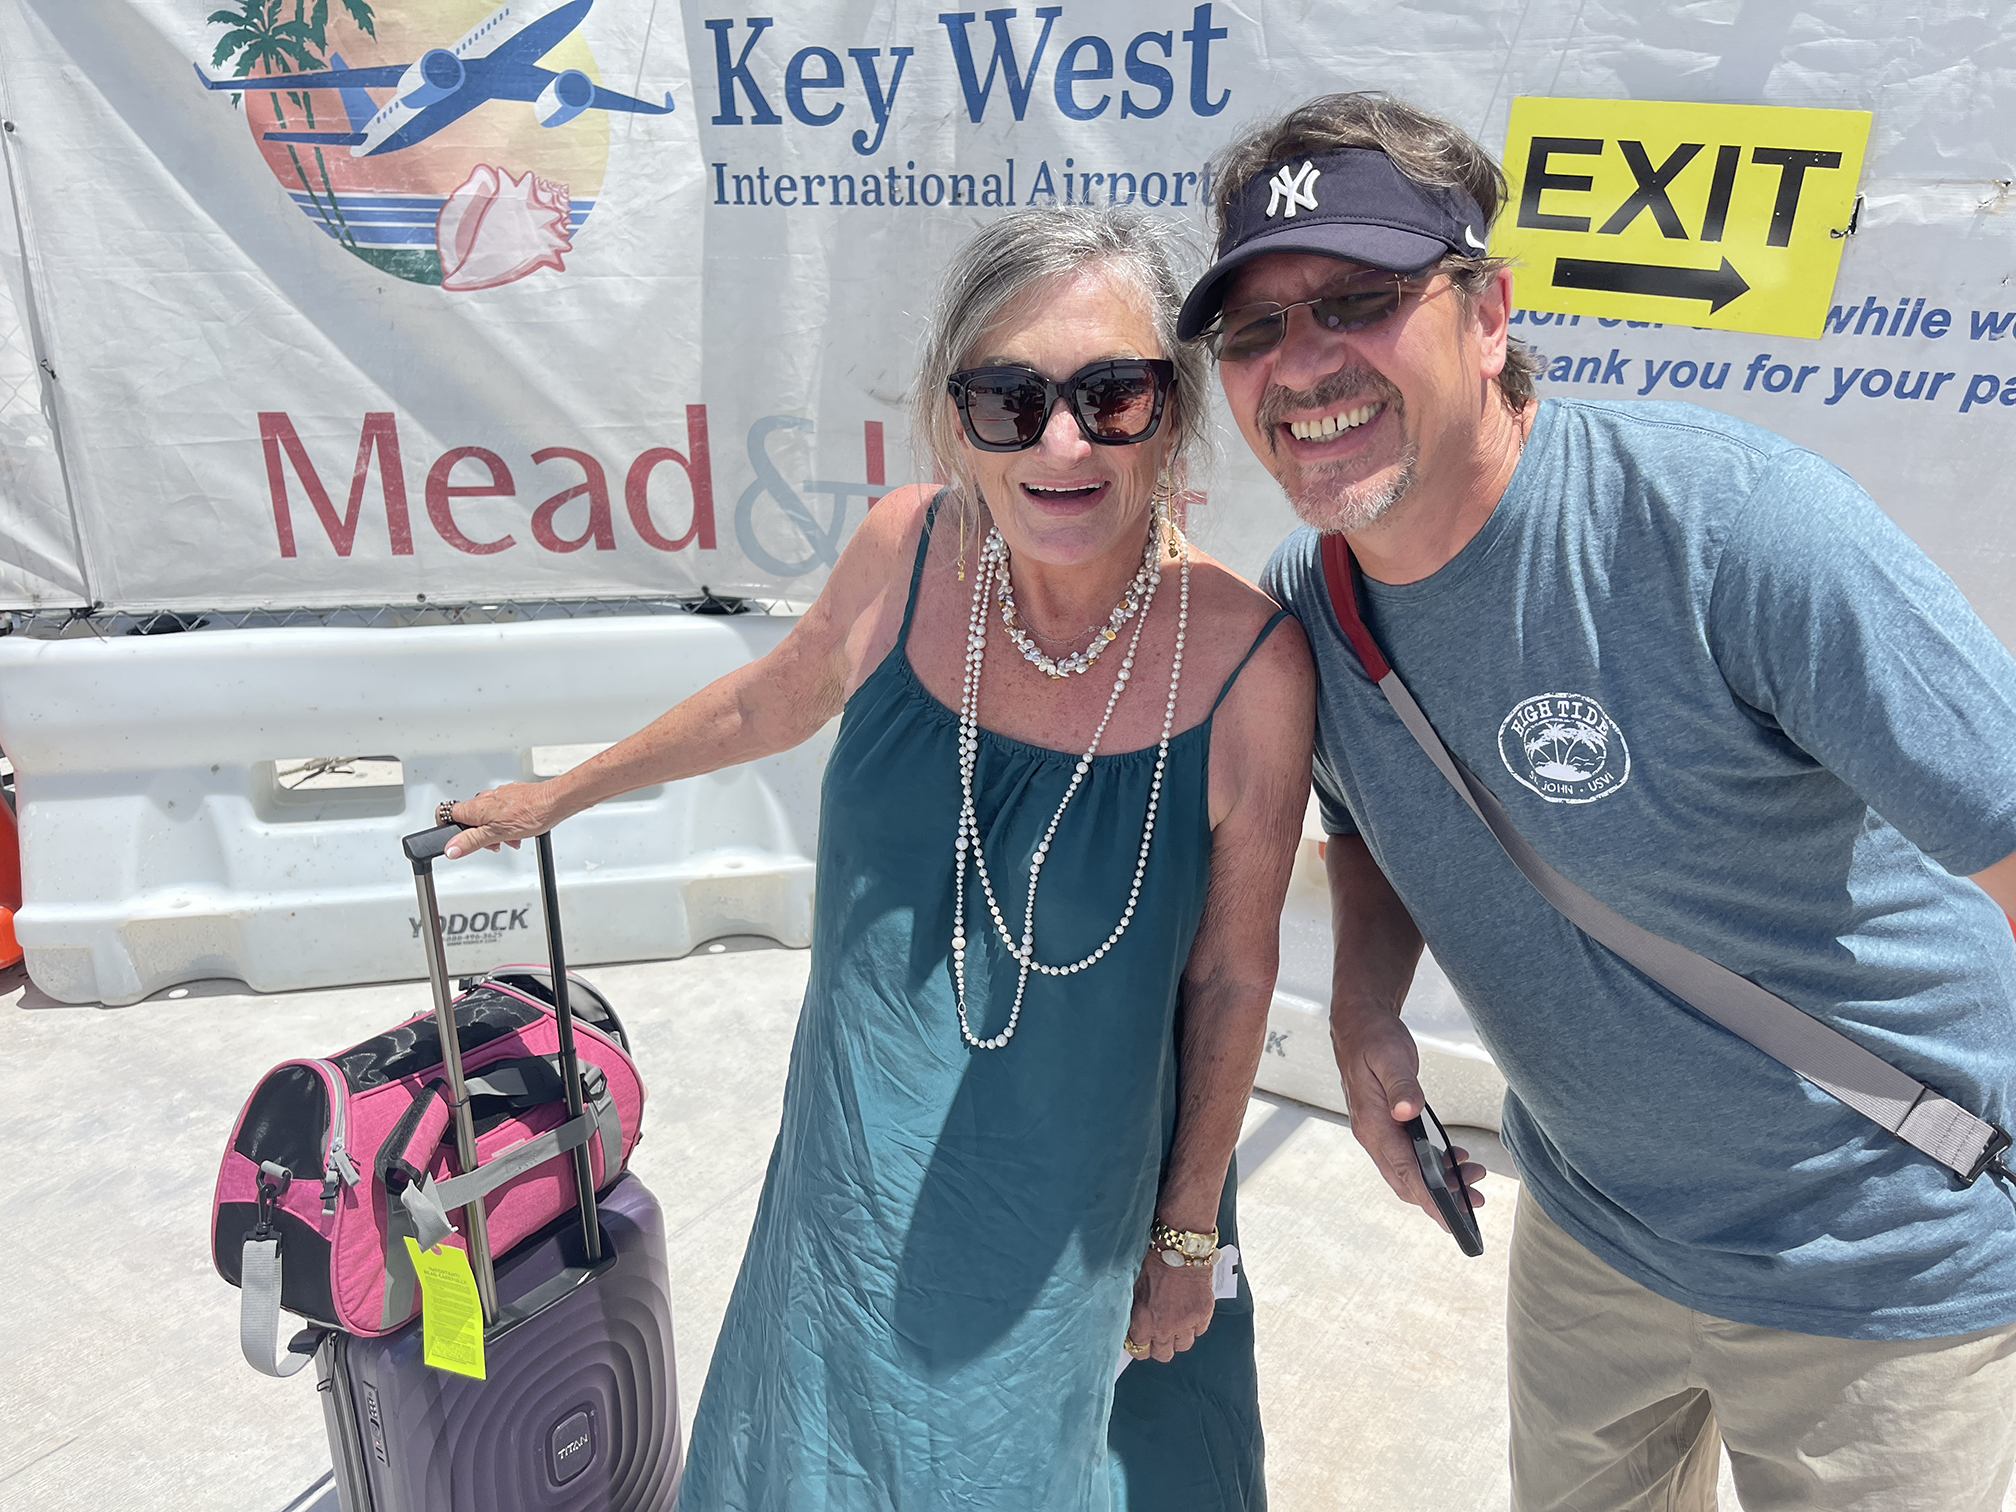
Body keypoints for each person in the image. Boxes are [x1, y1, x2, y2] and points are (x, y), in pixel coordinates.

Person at [1176, 91, 2016, 1512]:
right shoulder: (1306, 606)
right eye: (1255, 328)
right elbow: (1368, 826)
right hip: (1592, 1235)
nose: (1302, 363)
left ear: (1488, 314)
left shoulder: (1732, 530)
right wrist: (1368, 1010)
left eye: (1359, 301)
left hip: (1881, 1264)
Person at [444, 206, 1312, 1509]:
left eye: (1112, 394)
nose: (1062, 443)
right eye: (1009, 400)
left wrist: (1186, 1235)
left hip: (1071, 1198)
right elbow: (767, 700)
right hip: (854, 1158)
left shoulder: (1250, 666)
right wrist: (562, 794)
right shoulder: (909, 553)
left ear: (1172, 414)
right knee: (820, 1453)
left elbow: (1235, 978)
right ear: (955, 422)